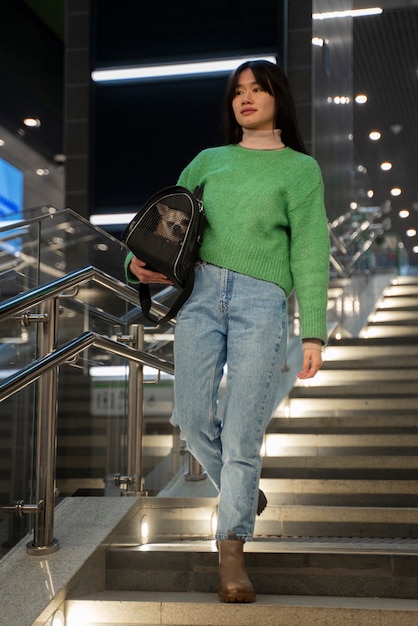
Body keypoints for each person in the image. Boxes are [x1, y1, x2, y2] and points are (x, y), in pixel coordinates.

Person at [125, 59, 330, 603]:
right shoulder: (208, 160)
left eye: (258, 90)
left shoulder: (299, 170)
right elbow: (166, 222)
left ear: (277, 98)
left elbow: (311, 252)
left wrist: (313, 333)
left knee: (242, 432)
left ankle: (232, 548)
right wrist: (136, 266)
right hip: (200, 298)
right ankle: (243, 491)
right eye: (238, 91)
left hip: (263, 303)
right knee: (190, 416)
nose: (246, 99)